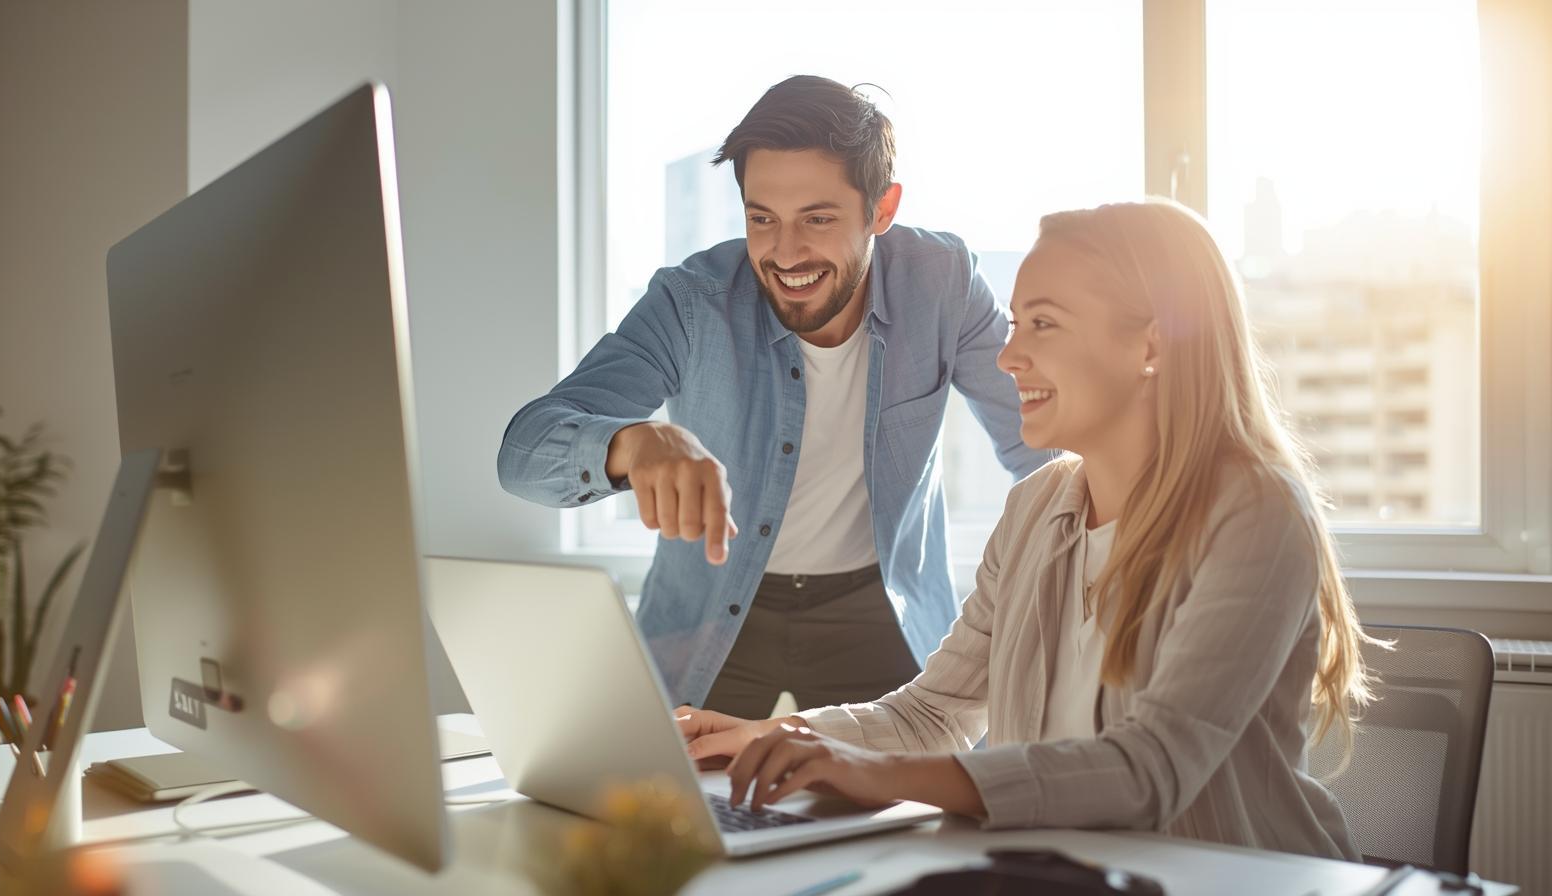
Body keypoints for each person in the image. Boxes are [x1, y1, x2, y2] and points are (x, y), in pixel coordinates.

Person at [677, 199, 1379, 860]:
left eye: (1043, 324)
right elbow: (933, 714)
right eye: (1014, 324)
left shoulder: (1255, 513)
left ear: (1153, 343)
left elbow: (1149, 770)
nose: (1008, 358)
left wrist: (874, 774)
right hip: (1068, 873)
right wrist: (776, 737)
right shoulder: (1036, 508)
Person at [497, 76, 1050, 714]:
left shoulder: (944, 284)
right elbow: (522, 455)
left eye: (817, 219)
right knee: (660, 780)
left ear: (881, 209)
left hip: (878, 610)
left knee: (925, 776)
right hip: (713, 613)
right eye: (763, 219)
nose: (786, 254)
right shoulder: (691, 301)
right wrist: (632, 443)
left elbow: (1042, 446)